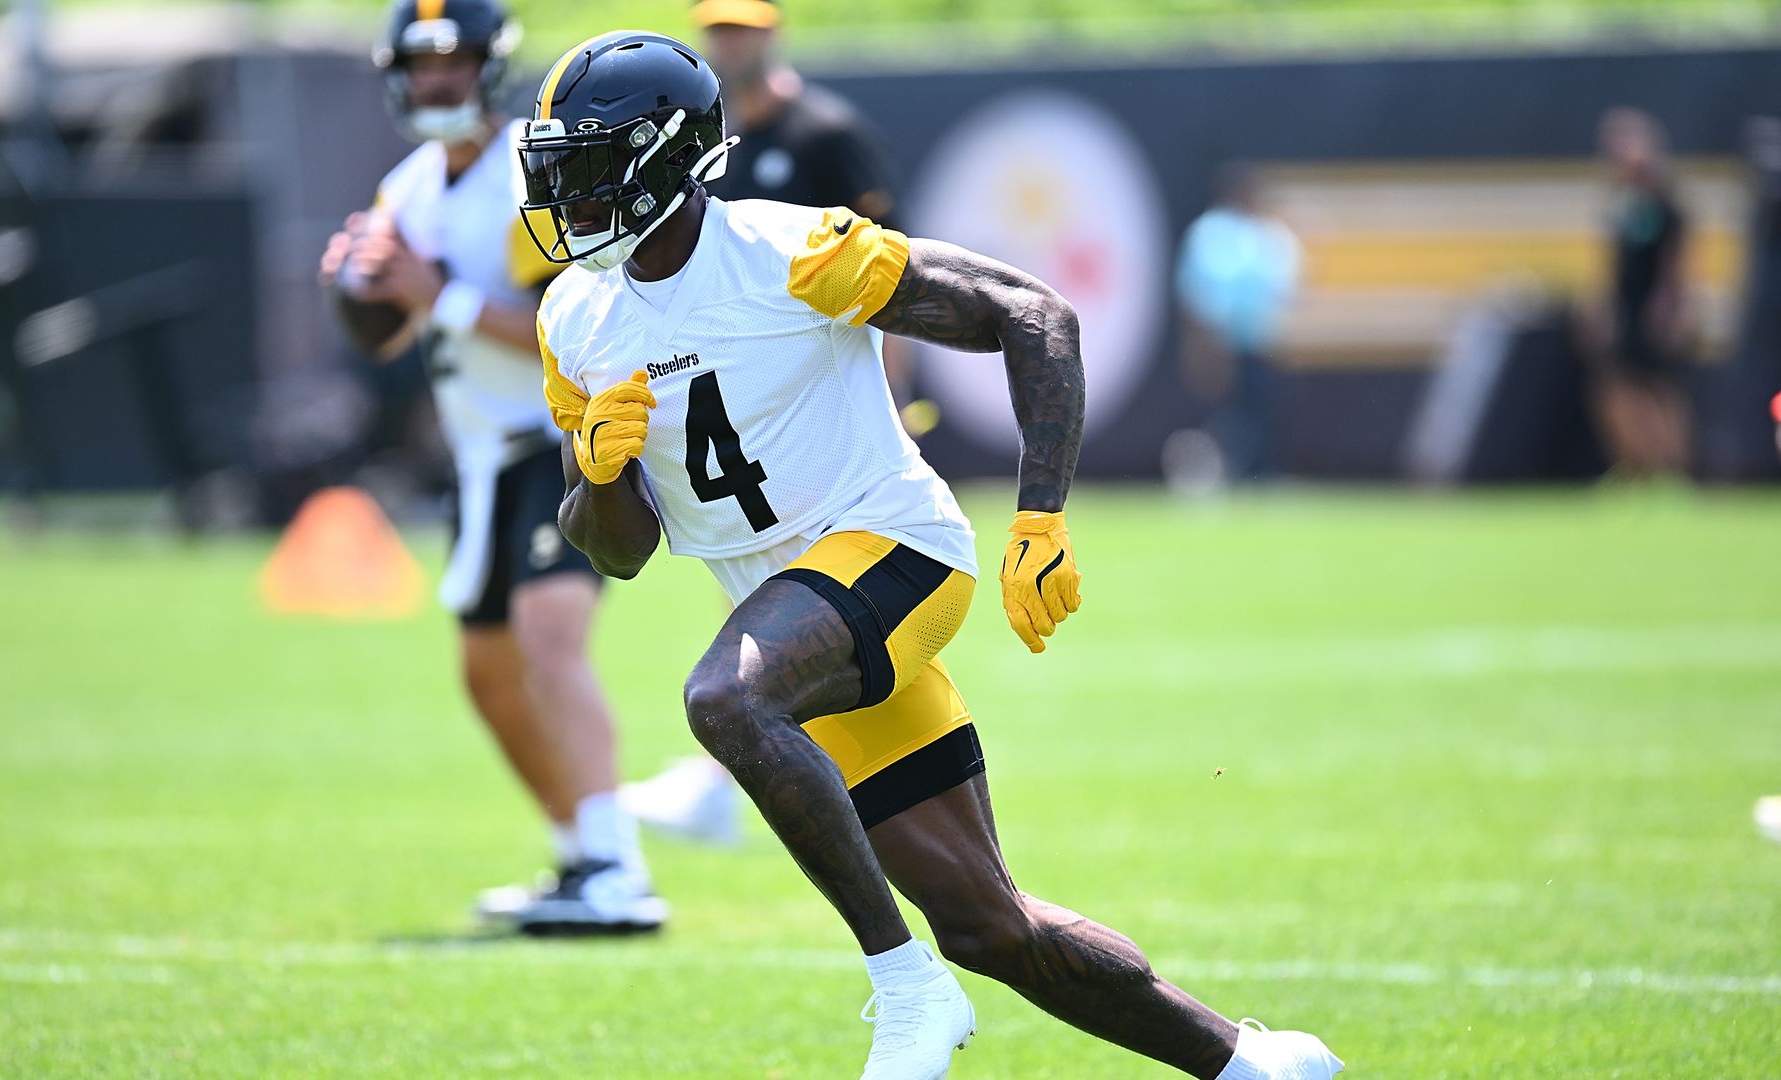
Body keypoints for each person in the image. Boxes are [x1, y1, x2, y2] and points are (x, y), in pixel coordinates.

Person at [520, 31, 1342, 1079]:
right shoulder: (574, 317)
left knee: (723, 700)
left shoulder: (789, 251)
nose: (566, 195)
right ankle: (1249, 1063)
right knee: (989, 924)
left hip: (894, 552)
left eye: (588, 164)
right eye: (556, 168)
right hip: (790, 617)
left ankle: (903, 985)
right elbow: (619, 551)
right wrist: (598, 474)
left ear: (665, 157)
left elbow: (1032, 313)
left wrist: (1040, 518)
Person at [317, 0, 661, 935]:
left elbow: (569, 325)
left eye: (454, 60)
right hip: (479, 457)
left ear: (488, 67)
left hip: (563, 439)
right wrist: (358, 289)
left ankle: (620, 870)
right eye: (421, 64)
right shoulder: (405, 189)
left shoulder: (529, 172)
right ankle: (579, 853)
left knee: (548, 639)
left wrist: (438, 296)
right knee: (489, 675)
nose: (437, 79)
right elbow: (390, 333)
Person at [621, 0, 924, 843]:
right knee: (764, 581)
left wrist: (895, 399)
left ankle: (733, 781)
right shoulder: (699, 145)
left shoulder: (826, 133)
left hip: (823, 403)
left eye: (744, 28)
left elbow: (893, 276)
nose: (730, 42)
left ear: (773, 32)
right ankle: (745, 775)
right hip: (745, 408)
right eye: (718, 28)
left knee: (817, 604)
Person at [1174, 163, 1301, 483]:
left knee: (1256, 408)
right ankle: (1212, 470)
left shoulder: (1264, 233)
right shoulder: (1212, 231)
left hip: (1257, 340)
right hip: (1220, 340)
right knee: (1225, 407)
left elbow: (1283, 285)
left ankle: (1254, 470)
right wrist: (1204, 338)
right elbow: (1199, 288)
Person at [1586, 107, 1693, 479]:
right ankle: (1635, 467)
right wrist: (1604, 306)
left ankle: (1673, 468)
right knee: (1616, 391)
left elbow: (1673, 266)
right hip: (1626, 309)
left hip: (1653, 309)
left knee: (1660, 390)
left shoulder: (1666, 207)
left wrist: (1670, 308)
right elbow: (1612, 267)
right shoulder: (1621, 206)